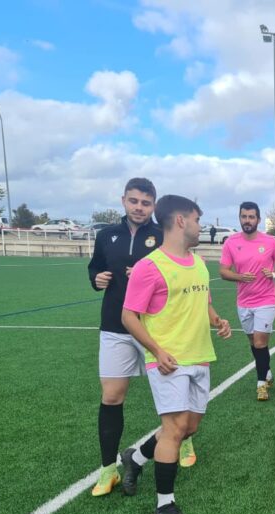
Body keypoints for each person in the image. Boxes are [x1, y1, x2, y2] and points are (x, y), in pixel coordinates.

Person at [120, 195, 232, 514]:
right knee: (173, 429)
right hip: (168, 361)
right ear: (181, 221)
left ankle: (136, 457)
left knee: (189, 428)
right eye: (197, 220)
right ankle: (165, 505)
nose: (200, 227)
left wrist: (217, 319)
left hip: (201, 357)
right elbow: (129, 316)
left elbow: (203, 302)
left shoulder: (198, 263)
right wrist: (156, 350)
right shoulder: (149, 267)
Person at [87, 177, 178, 497]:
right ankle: (108, 470)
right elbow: (95, 268)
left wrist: (145, 274)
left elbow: (176, 274)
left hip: (155, 328)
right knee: (112, 397)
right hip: (115, 325)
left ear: (154, 205)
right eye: (134, 201)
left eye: (146, 203)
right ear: (123, 200)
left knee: (172, 394)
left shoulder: (163, 235)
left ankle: (182, 439)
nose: (139, 208)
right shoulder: (106, 235)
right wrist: (96, 279)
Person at [218, 202, 275, 400]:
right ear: (240, 218)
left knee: (260, 342)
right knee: (254, 342)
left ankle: (261, 385)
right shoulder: (231, 242)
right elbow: (223, 271)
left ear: (258, 219)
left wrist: (273, 274)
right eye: (244, 217)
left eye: (251, 217)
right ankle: (266, 372)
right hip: (243, 302)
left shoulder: (270, 242)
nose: (247, 220)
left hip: (266, 300)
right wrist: (240, 277)